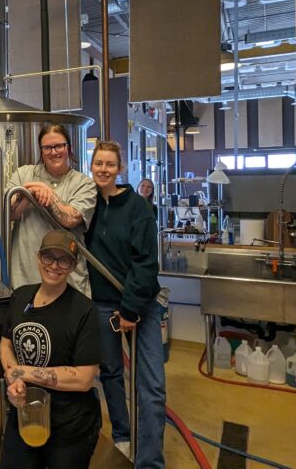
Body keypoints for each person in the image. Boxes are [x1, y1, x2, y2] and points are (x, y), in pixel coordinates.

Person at [87, 141, 165, 467]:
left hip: (141, 305)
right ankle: (122, 435)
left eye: (110, 164)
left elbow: (146, 263)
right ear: (91, 167)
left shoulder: (137, 208)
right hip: (103, 304)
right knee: (111, 375)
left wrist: (131, 308)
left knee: (151, 388)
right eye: (98, 164)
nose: (103, 169)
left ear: (120, 168)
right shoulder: (89, 205)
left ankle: (149, 462)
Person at [0, 229, 102, 468]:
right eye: (48, 257)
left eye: (64, 259)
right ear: (38, 258)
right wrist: (12, 377)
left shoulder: (83, 310)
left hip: (68, 427)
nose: (54, 266)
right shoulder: (21, 296)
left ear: (73, 266)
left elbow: (84, 378)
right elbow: (6, 343)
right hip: (24, 417)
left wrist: (22, 372)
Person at [6, 124, 97, 296]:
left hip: (69, 283)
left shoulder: (84, 183)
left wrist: (47, 192)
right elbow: (8, 213)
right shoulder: (23, 174)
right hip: (25, 279)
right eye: (47, 147)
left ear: (68, 148)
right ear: (41, 151)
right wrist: (29, 194)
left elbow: (70, 219)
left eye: (59, 146)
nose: (54, 152)